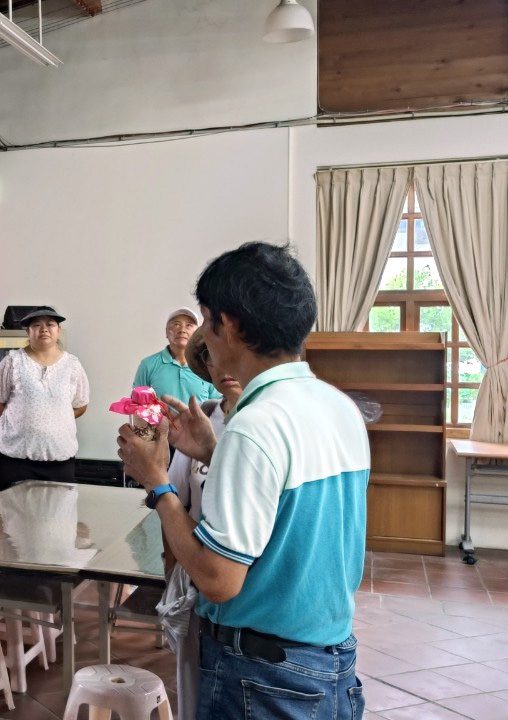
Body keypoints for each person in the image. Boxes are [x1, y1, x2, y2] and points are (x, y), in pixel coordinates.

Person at [118, 242, 368, 720]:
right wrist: (215, 451)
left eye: (207, 321)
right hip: (328, 659)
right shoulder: (337, 406)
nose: (204, 339)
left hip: (263, 675)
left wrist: (157, 482)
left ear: (227, 324)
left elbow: (217, 579)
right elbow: (287, 508)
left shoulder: (255, 427)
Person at [158, 327, 243, 720]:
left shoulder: (264, 425)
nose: (222, 365)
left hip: (246, 588)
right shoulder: (205, 416)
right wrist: (172, 567)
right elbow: (173, 496)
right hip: (199, 575)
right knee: (196, 687)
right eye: (208, 356)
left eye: (227, 351)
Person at [0, 306, 89, 491]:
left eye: (50, 324)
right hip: (15, 459)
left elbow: (81, 405)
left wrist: (56, 419)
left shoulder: (72, 365)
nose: (44, 329)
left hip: (59, 459)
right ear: (27, 331)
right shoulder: (12, 361)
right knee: (13, 516)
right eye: (36, 325)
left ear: (59, 330)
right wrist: (18, 420)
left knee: (58, 516)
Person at [132, 307, 220, 405]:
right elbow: (137, 405)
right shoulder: (148, 365)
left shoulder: (207, 366)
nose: (182, 330)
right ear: (166, 331)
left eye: (189, 325)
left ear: (197, 333)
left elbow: (219, 408)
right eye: (176, 324)